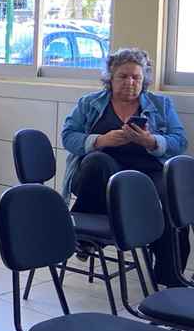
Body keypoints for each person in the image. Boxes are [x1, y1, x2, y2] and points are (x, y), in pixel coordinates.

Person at [62, 48, 190, 286]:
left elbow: (180, 141)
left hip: (148, 172)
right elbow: (68, 136)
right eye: (123, 76)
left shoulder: (161, 105)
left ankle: (169, 274)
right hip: (101, 176)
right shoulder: (89, 103)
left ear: (144, 81)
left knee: (170, 201)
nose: (130, 82)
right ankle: (88, 233)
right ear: (110, 77)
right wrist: (100, 141)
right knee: (96, 160)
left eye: (136, 77)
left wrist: (152, 142)